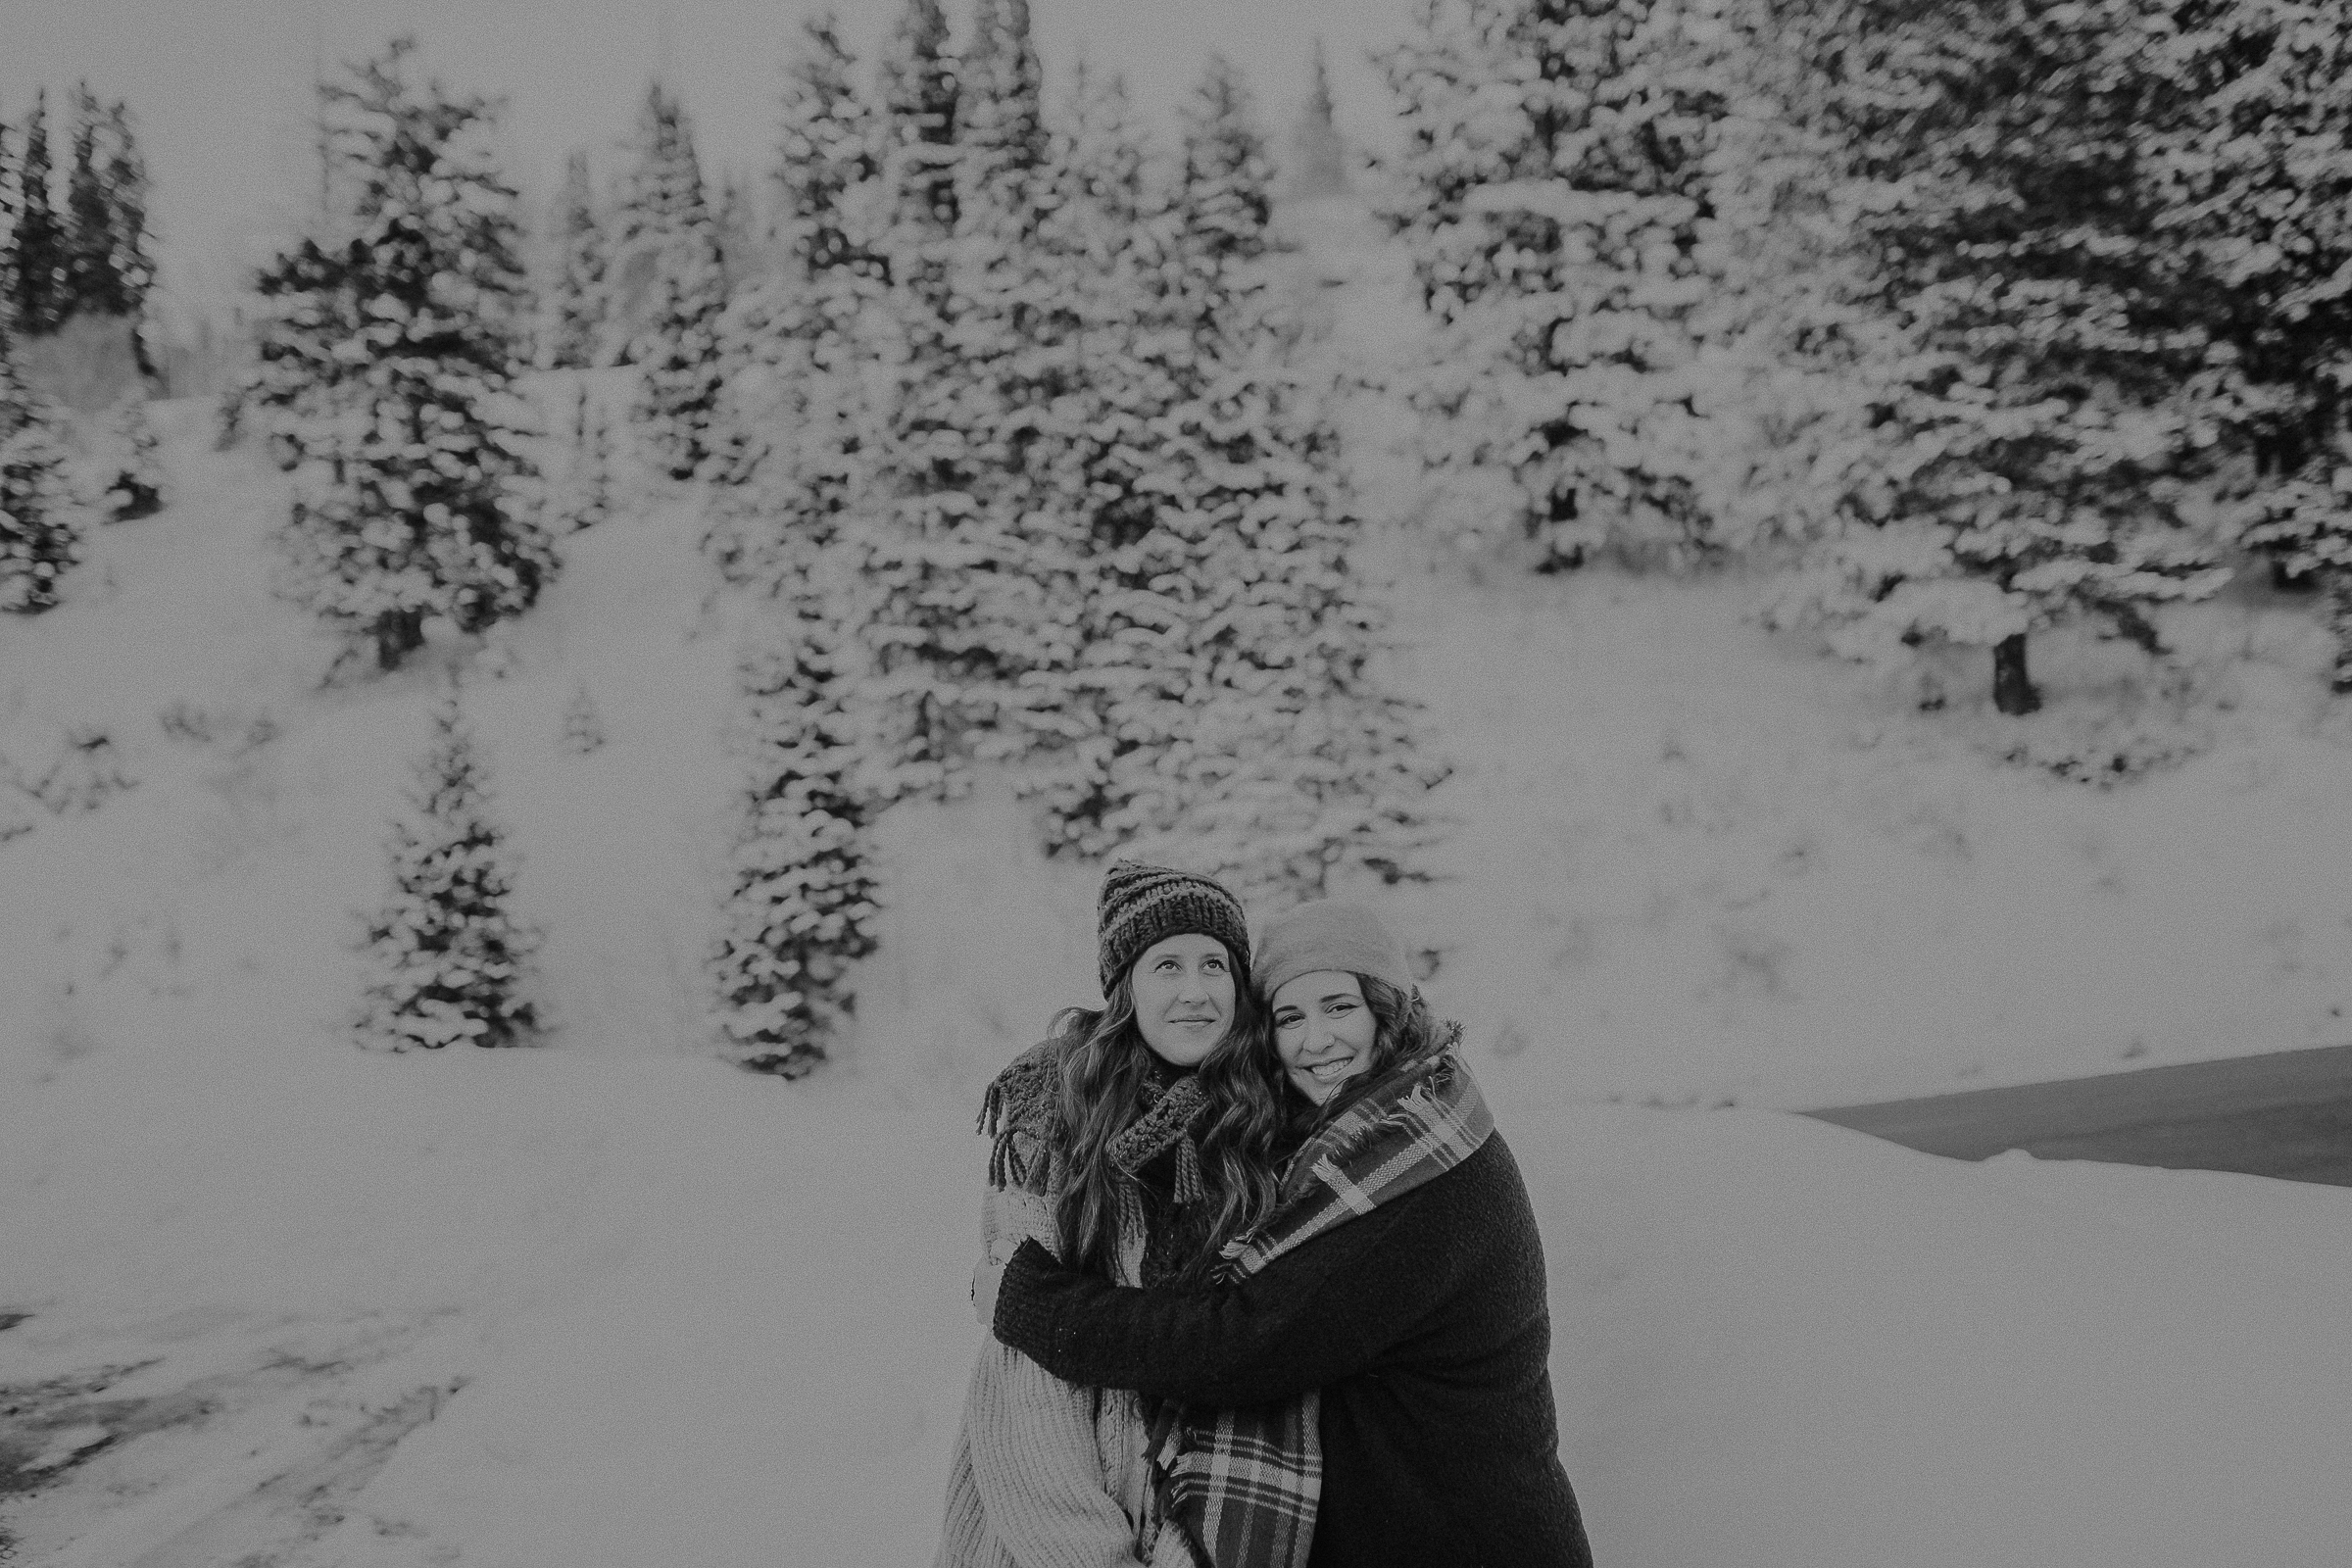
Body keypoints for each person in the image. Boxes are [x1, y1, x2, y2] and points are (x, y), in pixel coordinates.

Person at [988, 899, 1595, 1568]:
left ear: (1387, 1011)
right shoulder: (1376, 1132)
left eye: (1339, 1007)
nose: (1316, 1040)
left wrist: (1031, 1302)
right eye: (1288, 1017)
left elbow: (1240, 1345)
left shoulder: (1417, 1178)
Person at [936, 862, 1313, 1568]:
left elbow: (1246, 1347)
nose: (1195, 992)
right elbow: (1023, 1371)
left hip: (1197, 1526)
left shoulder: (1265, 1126)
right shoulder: (1053, 1109)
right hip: (1052, 1523)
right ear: (1125, 989)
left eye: (1214, 966)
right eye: (1166, 965)